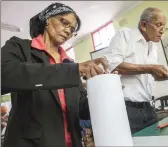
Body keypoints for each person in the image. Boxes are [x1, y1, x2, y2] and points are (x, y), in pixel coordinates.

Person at [1, 3, 108, 147]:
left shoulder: (69, 63)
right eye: (65, 23)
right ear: (47, 20)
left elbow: (81, 109)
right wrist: (72, 71)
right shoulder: (20, 48)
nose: (68, 31)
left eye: (72, 29)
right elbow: (5, 75)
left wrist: (104, 90)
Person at [105, 7, 168, 134]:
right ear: (144, 25)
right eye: (158, 25)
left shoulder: (152, 47)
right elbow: (113, 66)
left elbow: (155, 75)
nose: (162, 31)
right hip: (127, 108)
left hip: (148, 107)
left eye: (164, 26)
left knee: (154, 140)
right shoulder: (125, 35)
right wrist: (150, 68)